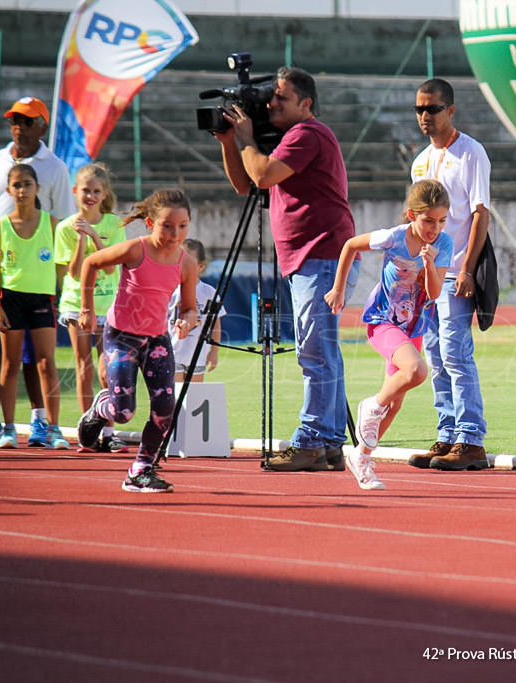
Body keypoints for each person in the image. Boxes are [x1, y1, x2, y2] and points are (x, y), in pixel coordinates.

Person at [215, 66, 356, 472]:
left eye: (281, 97)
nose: (271, 102)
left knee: (315, 352)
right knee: (323, 351)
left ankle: (312, 440)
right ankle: (328, 441)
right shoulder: (292, 139)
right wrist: (231, 142)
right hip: (310, 257)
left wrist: (247, 139)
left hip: (322, 254)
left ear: (305, 104)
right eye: (271, 96)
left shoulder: (308, 134)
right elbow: (247, 185)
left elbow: (261, 172)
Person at [326, 179, 454, 491]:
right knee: (416, 370)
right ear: (412, 215)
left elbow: (434, 293)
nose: (434, 228)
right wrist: (338, 288)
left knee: (395, 404)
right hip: (383, 320)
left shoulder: (444, 245)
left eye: (441, 221)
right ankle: (371, 405)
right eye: (428, 221)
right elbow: (350, 246)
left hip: (413, 327)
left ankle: (362, 456)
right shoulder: (393, 238)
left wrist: (429, 262)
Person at [0, 96, 75, 447]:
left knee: (33, 356)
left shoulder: (55, 167)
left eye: (27, 121)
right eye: (14, 120)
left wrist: (63, 274)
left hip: (33, 275)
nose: (18, 127)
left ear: (42, 126)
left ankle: (40, 422)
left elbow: (65, 221)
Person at [76, 188, 198, 493]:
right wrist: (87, 309)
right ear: (149, 224)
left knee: (165, 408)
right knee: (123, 412)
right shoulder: (135, 250)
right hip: (122, 338)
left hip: (157, 339)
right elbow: (91, 263)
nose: (175, 234)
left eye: (182, 226)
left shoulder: (186, 263)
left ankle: (140, 469)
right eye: (167, 226)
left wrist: (187, 320)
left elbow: (190, 307)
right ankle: (101, 407)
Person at [408, 78, 492, 471]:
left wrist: (468, 269)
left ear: (450, 110)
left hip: (457, 271)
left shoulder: (471, 153)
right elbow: (417, 220)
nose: (425, 116)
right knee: (436, 356)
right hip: (428, 273)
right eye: (419, 109)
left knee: (457, 354)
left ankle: (471, 438)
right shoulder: (420, 161)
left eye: (432, 108)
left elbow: (480, 213)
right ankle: (447, 434)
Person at [0, 164, 67, 449]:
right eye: (17, 185)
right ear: (9, 190)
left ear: (37, 188)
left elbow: (61, 267)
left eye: (27, 184)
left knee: (47, 363)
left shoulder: (53, 223)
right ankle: (8, 429)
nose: (22, 190)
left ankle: (54, 429)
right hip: (11, 299)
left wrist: (65, 298)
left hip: (42, 299)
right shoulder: (1, 226)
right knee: (10, 365)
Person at [53, 162, 128, 453]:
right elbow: (72, 273)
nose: (91, 196)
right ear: (75, 192)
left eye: (97, 191)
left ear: (105, 193)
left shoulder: (113, 224)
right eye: (86, 190)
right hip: (77, 305)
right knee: (83, 367)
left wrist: (96, 236)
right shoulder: (64, 228)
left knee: (108, 370)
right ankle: (87, 433)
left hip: (108, 306)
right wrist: (81, 237)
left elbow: (110, 269)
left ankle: (108, 429)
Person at [168, 238, 223, 383]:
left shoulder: (209, 292)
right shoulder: (170, 290)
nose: (183, 267)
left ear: (201, 266)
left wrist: (214, 352)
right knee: (175, 398)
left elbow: (215, 324)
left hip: (197, 353)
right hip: (172, 352)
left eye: (189, 263)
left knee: (194, 398)